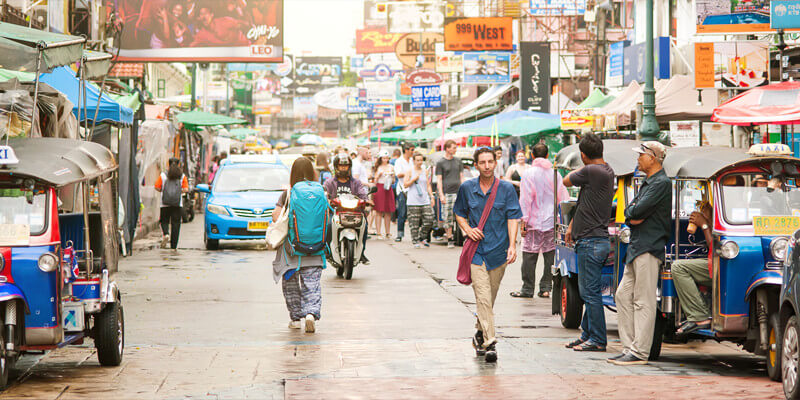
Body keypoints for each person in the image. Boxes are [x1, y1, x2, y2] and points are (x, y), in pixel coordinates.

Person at [454, 147, 522, 362]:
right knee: (482, 297)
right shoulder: (467, 188)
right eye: (482, 162)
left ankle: (480, 332)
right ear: (475, 165)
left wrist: (512, 245)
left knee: (488, 299)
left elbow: (513, 217)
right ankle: (490, 341)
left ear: (495, 163)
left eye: (490, 162)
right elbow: (459, 212)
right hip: (476, 252)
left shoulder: (506, 189)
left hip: (499, 252)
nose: (486, 166)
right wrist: (467, 229)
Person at [608, 141, 671, 365]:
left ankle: (639, 351)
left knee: (643, 300)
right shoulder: (649, 182)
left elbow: (637, 210)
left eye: (642, 155)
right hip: (637, 246)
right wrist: (633, 215)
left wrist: (634, 214)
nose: (638, 158)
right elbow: (629, 212)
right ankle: (630, 347)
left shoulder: (660, 183)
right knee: (623, 296)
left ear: (653, 158)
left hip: (648, 246)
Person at [563, 133, 614, 352]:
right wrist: (573, 225)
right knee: (589, 291)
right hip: (595, 240)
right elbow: (585, 201)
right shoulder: (606, 170)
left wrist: (577, 169)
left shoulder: (591, 171)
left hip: (591, 241)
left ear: (583, 155)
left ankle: (598, 340)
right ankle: (587, 334)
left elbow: (566, 181)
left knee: (590, 294)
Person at [272, 157, 324, 333]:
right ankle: (310, 313)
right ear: (312, 172)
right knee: (312, 283)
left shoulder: (288, 193)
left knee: (291, 285)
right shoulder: (320, 192)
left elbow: (276, 217)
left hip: (292, 251)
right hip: (316, 248)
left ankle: (295, 319)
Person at [512, 144, 569, 299]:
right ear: (548, 154)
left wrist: (523, 221)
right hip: (551, 221)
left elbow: (525, 199)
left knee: (529, 256)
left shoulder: (528, 174)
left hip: (533, 221)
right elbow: (562, 198)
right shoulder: (555, 174)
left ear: (532, 156)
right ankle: (545, 288)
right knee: (549, 255)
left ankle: (527, 288)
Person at [673, 202, 713, 335]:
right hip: (715, 262)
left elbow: (715, 247)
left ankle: (699, 316)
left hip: (720, 264)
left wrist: (705, 225)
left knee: (678, 267)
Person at [323, 154, 370, 264]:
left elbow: (362, 194)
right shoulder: (329, 182)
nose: (343, 168)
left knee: (365, 225)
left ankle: (361, 252)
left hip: (354, 213)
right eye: (341, 166)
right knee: (328, 225)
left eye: (346, 166)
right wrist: (327, 199)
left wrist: (366, 200)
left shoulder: (356, 182)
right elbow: (324, 193)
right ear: (336, 167)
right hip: (335, 213)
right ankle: (327, 251)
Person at [154, 157, 189, 250]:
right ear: (179, 164)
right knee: (176, 224)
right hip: (177, 204)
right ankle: (173, 246)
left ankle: (166, 234)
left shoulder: (163, 175)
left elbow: (157, 187)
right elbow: (186, 189)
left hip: (164, 203)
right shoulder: (182, 176)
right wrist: (179, 192)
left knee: (164, 221)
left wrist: (163, 191)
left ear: (168, 164)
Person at [436, 140, 462, 248]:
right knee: (448, 217)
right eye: (453, 147)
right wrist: (441, 194)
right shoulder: (441, 163)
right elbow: (439, 179)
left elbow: (462, 177)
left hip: (458, 192)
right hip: (447, 193)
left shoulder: (458, 161)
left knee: (461, 215)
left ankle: (462, 237)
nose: (455, 150)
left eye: (456, 148)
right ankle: (450, 238)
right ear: (447, 149)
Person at [405, 152, 435, 248]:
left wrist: (432, 196)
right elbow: (405, 184)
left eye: (421, 160)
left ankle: (422, 237)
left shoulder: (425, 171)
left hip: (424, 199)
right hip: (413, 200)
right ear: (413, 161)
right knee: (414, 223)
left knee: (429, 219)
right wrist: (413, 179)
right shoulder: (410, 171)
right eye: (417, 160)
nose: (419, 162)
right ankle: (415, 241)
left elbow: (428, 185)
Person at [394, 143, 415, 242]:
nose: (412, 152)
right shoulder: (399, 161)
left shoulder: (413, 160)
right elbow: (398, 174)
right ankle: (399, 234)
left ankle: (415, 235)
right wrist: (409, 173)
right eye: (411, 150)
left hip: (412, 188)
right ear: (406, 150)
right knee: (402, 212)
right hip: (402, 189)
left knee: (414, 213)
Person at [372, 150, 396, 239]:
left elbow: (393, 181)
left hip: (388, 188)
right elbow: (375, 181)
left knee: (388, 211)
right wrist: (378, 175)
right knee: (378, 210)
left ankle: (388, 232)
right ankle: (378, 232)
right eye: (383, 158)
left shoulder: (391, 167)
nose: (385, 160)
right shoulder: (378, 167)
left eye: (387, 158)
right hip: (380, 188)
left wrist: (392, 176)